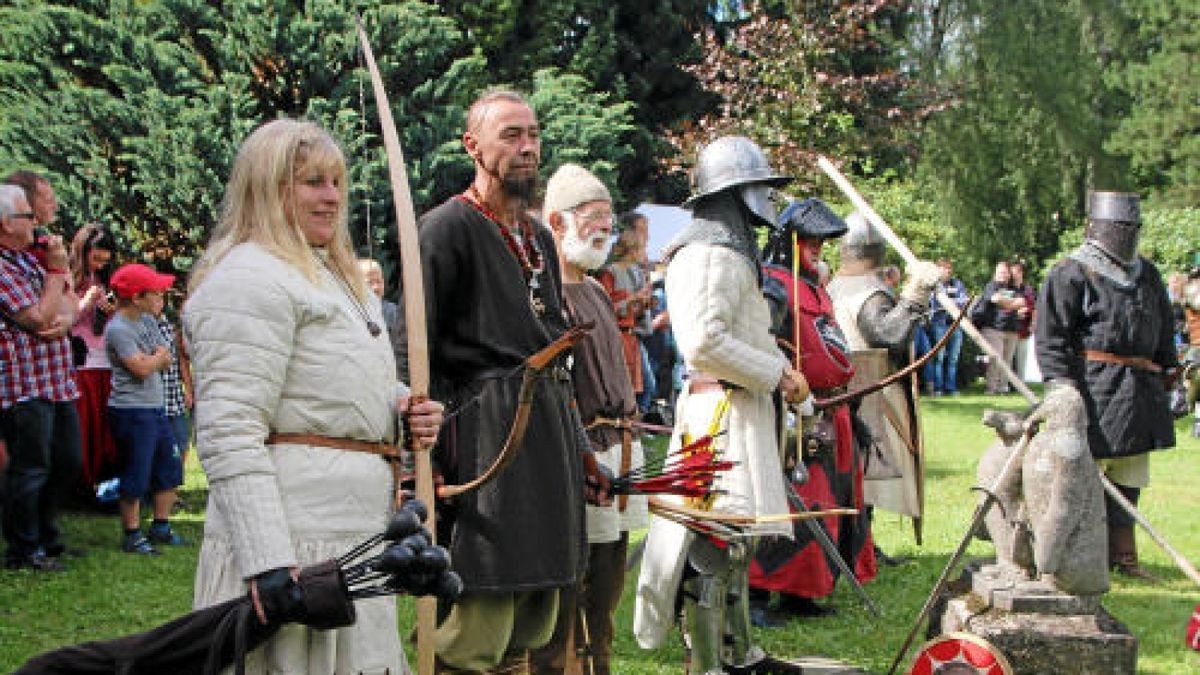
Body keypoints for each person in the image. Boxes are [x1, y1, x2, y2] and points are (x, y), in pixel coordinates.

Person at [184, 119, 444, 673]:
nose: (331, 198)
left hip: (345, 533)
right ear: (268, 187)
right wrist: (269, 564)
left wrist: (399, 409)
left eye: (336, 182)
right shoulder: (248, 279)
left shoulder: (326, 275)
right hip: (292, 539)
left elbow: (325, 381)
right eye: (312, 182)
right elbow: (229, 430)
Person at [405, 89, 598, 673]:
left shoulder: (540, 239)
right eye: (510, 135)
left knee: (533, 616)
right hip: (485, 436)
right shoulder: (445, 228)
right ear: (473, 146)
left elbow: (551, 349)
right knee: (481, 605)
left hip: (547, 436)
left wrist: (582, 447)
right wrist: (424, 459)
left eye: (533, 135)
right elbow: (413, 350)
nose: (527, 147)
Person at [634, 135, 808, 674]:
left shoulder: (728, 250)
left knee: (737, 544)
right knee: (714, 545)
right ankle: (710, 665)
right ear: (732, 193)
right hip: (718, 413)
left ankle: (741, 653)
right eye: (755, 187)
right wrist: (776, 372)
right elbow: (703, 343)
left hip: (739, 408)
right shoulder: (705, 253)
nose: (764, 200)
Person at [529, 164, 648, 675]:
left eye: (608, 217)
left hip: (620, 450)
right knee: (567, 592)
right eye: (591, 217)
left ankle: (600, 665)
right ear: (555, 221)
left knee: (606, 589)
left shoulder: (599, 291)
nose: (604, 227)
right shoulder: (541, 293)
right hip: (579, 454)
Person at [1035, 190, 1176, 580]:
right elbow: (1052, 336)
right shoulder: (1071, 273)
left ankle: (1123, 554)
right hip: (1093, 389)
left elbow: (1163, 327)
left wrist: (1169, 371)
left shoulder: (1146, 274)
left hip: (1139, 390)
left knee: (1130, 474)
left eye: (1131, 228)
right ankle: (1080, 553)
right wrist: (1060, 384)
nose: (1125, 234)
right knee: (1082, 476)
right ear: (1096, 228)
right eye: (1119, 227)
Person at [749, 198, 875, 621]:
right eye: (812, 240)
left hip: (827, 411)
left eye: (823, 241)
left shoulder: (815, 285)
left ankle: (801, 594)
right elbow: (762, 342)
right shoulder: (774, 284)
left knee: (823, 503)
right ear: (791, 241)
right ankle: (760, 594)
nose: (819, 247)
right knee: (790, 501)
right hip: (792, 412)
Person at [827, 212, 941, 549]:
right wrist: (915, 295)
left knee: (861, 473)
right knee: (867, 472)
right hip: (871, 389)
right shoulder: (868, 293)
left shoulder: (835, 286)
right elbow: (890, 334)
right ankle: (859, 546)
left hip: (850, 387)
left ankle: (863, 545)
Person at [0, 183, 81, 571]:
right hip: (23, 385)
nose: (37, 222)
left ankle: (49, 538)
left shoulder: (31, 260)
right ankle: (24, 549)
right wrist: (54, 272)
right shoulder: (3, 266)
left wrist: (63, 317)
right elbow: (36, 317)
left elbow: (64, 309)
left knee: (68, 460)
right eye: (27, 216)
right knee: (31, 468)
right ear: (5, 223)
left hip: (57, 380)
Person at [103, 263, 186, 555]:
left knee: (170, 466)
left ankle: (161, 525)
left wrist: (154, 359)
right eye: (156, 292)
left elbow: (167, 355)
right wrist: (154, 360)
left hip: (155, 407)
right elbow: (139, 367)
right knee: (136, 471)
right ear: (137, 297)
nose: (162, 297)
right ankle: (132, 532)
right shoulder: (119, 329)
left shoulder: (149, 322)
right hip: (131, 411)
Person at [68, 223, 120, 491]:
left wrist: (111, 310)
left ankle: (104, 480)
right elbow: (62, 320)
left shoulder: (107, 281)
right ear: (83, 251)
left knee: (104, 426)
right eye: (96, 258)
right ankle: (81, 482)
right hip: (81, 363)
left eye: (105, 260)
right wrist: (84, 303)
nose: (100, 265)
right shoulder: (67, 279)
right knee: (84, 426)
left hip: (106, 362)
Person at [597, 227, 654, 412]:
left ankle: (633, 428)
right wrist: (633, 298)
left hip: (631, 338)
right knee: (619, 388)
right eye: (642, 248)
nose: (645, 253)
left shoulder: (636, 272)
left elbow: (633, 315)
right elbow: (606, 310)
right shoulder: (610, 273)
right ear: (633, 250)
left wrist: (644, 304)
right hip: (616, 338)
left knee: (636, 388)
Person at [975, 261, 1025, 394]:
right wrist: (1011, 303)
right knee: (996, 359)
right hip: (993, 328)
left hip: (1011, 329)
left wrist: (1007, 303)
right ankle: (991, 388)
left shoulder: (1014, 288)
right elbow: (994, 299)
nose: (1003, 275)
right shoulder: (991, 286)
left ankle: (1003, 387)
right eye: (1001, 272)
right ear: (996, 273)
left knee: (1007, 361)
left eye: (1006, 272)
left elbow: (1022, 302)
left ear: (1009, 274)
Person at [925, 258, 969, 396]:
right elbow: (936, 303)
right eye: (945, 268)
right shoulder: (934, 285)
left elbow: (964, 300)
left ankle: (951, 388)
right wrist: (952, 302)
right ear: (939, 270)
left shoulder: (957, 284)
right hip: (939, 325)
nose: (948, 271)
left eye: (949, 268)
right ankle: (938, 388)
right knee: (939, 357)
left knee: (953, 359)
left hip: (956, 324)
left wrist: (949, 302)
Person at [358, 257, 399, 338]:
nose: (376, 287)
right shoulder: (353, 311)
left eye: (379, 281)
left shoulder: (392, 311)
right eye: (369, 283)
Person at [1010, 261, 1037, 380]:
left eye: (1017, 272)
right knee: (1008, 358)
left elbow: (1035, 307)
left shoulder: (1028, 289)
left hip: (1024, 329)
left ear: (1021, 273)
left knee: (1022, 358)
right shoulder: (1007, 288)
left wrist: (1033, 324)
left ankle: (1020, 382)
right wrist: (1016, 312)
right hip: (1009, 328)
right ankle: (1007, 384)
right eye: (1012, 273)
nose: (1014, 275)